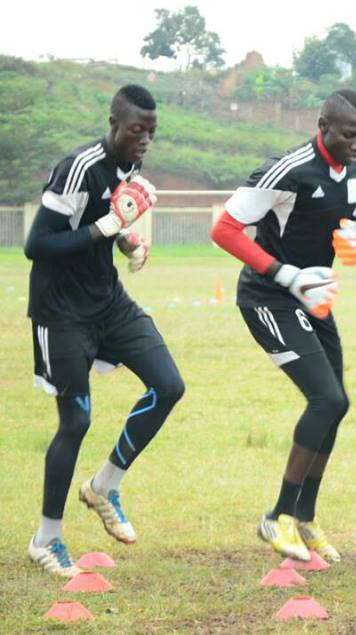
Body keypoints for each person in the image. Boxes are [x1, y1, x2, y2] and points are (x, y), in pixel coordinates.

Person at [24, 85, 185, 577]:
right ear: (114, 122)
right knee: (76, 422)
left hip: (109, 303)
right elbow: (37, 244)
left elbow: (104, 225)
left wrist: (128, 242)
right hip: (61, 313)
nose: (145, 140)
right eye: (137, 130)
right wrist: (106, 229)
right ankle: (45, 540)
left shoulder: (130, 168)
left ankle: (103, 486)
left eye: (151, 133)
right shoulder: (79, 168)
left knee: (168, 385)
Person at [210, 88, 356, 562]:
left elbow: (350, 222)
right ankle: (277, 516)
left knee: (336, 405)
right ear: (323, 126)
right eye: (348, 135)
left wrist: (354, 241)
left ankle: (304, 518)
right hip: (267, 298)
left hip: (314, 301)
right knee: (327, 399)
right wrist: (286, 275)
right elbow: (224, 230)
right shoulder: (288, 170)